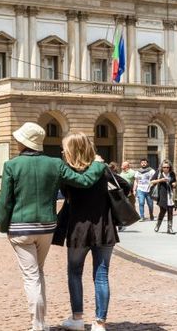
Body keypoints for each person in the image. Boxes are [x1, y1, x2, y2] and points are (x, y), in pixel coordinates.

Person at [0, 122, 105, 331]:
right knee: (39, 271)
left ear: (23, 142)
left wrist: (3, 226)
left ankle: (38, 325)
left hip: (20, 228)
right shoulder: (55, 163)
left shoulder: (11, 165)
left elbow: (5, 202)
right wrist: (98, 165)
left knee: (31, 276)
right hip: (46, 227)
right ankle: (41, 322)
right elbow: (83, 181)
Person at [59, 133, 129, 331]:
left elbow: (66, 194)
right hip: (104, 227)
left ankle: (77, 318)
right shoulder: (102, 169)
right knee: (101, 275)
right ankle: (99, 323)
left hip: (78, 229)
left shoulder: (67, 172)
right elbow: (125, 186)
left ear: (71, 150)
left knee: (74, 272)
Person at [150, 160, 177, 234]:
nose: (166, 168)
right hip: (162, 194)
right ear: (162, 167)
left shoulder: (172, 173)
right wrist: (161, 180)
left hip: (170, 194)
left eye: (168, 167)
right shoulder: (158, 173)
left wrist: (174, 184)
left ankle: (170, 228)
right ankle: (158, 225)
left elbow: (174, 181)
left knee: (170, 211)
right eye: (164, 167)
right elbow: (151, 181)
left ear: (170, 167)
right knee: (163, 211)